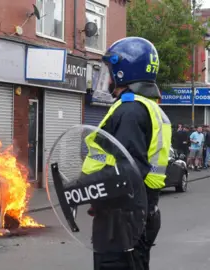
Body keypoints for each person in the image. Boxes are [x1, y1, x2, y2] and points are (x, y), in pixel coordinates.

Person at [82, 37, 172, 270]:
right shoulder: (147, 107)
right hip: (135, 213)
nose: (109, 77)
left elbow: (128, 171)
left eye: (111, 70)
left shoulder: (130, 110)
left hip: (120, 219)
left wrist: (82, 187)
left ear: (123, 72)